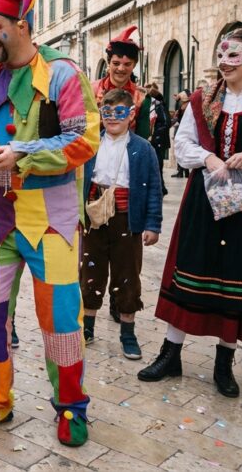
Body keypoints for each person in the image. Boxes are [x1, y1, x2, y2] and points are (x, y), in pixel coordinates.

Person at [0, 0, 99, 446]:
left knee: (61, 321)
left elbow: (83, 139)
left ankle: (71, 406)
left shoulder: (64, 74)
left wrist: (21, 153)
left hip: (51, 222)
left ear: (22, 24)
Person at [139, 28, 242, 397]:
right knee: (191, 269)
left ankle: (225, 362)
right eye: (221, 56)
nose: (225, 64)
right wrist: (206, 157)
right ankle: (170, 354)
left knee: (237, 277)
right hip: (203, 200)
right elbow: (183, 142)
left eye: (235, 56)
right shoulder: (202, 99)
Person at [80, 89, 162, 360]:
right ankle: (87, 328)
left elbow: (153, 189)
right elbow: (78, 182)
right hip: (94, 218)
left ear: (131, 115)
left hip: (128, 220)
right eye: (107, 112)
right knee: (91, 271)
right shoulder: (91, 144)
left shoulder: (143, 148)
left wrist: (152, 224)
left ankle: (128, 333)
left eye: (119, 113)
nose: (113, 118)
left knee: (127, 275)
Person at [91, 26, 151, 139]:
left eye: (127, 64)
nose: (121, 68)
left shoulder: (142, 98)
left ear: (134, 65)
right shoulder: (90, 91)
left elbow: (143, 137)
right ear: (109, 62)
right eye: (116, 63)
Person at [146, 84, 171, 196]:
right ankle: (161, 187)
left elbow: (166, 123)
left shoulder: (159, 106)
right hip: (153, 141)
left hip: (158, 141)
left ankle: (160, 188)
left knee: (157, 165)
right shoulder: (151, 108)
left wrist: (155, 135)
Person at [171, 91, 191, 178]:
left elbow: (179, 115)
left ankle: (182, 171)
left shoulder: (186, 105)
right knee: (181, 150)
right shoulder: (184, 105)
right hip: (182, 128)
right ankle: (183, 171)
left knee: (182, 150)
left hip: (184, 129)